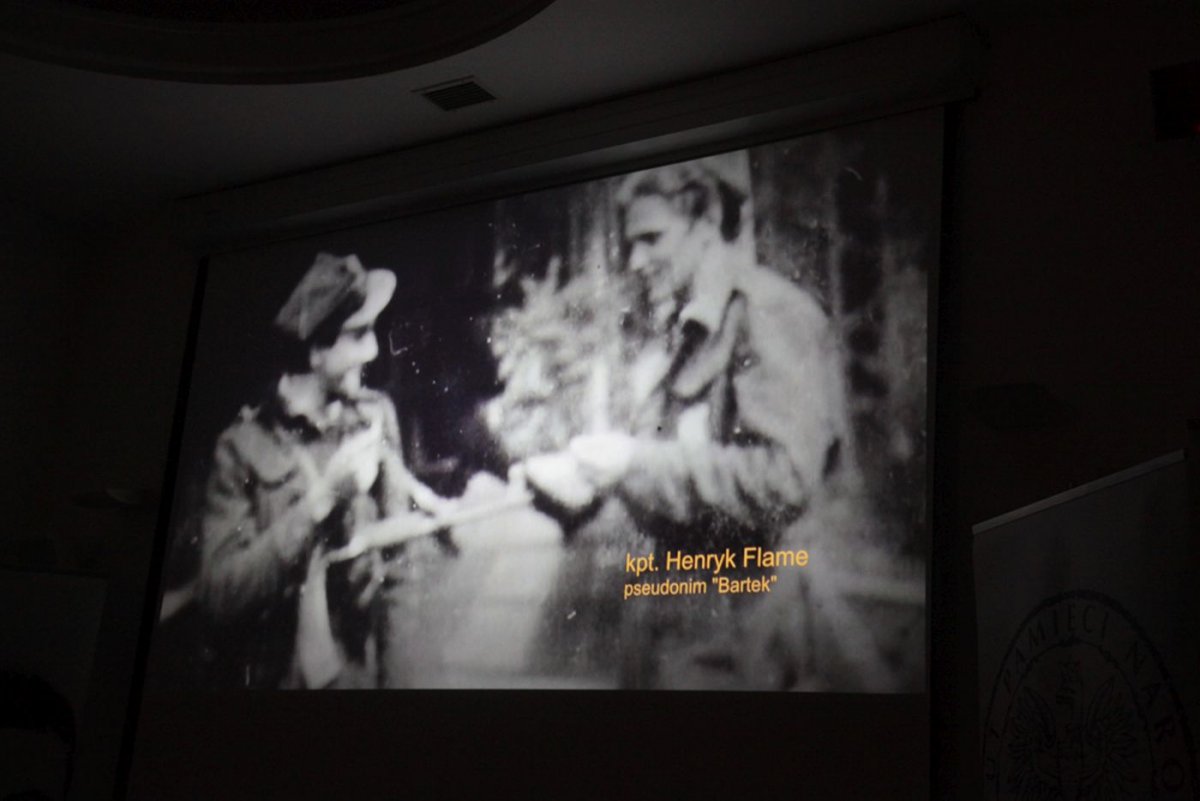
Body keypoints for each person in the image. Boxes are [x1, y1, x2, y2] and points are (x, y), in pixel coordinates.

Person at [524, 157, 851, 687]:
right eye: (631, 244)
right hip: (679, 633)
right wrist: (582, 483)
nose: (636, 260)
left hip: (743, 641)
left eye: (652, 238)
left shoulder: (769, 312)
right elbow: (671, 474)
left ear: (706, 223)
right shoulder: (690, 329)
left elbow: (786, 478)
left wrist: (633, 461)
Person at [196, 252, 449, 689]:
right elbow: (220, 596)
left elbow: (401, 572)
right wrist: (320, 502)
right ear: (315, 351)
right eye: (358, 335)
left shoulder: (373, 418)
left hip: (358, 676)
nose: (374, 350)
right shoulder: (241, 448)